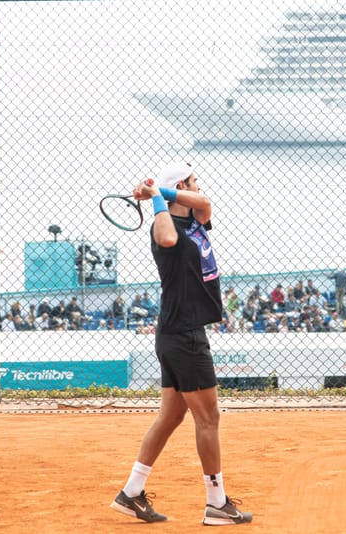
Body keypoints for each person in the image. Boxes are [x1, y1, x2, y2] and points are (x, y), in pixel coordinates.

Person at [110, 162, 252, 525]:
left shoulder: (196, 220)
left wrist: (161, 191)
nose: (199, 187)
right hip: (184, 334)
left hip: (180, 332)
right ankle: (217, 503)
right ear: (180, 185)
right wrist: (157, 197)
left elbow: (204, 202)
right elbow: (167, 239)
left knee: (172, 416)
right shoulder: (168, 227)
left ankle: (130, 493)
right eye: (193, 181)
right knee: (209, 418)